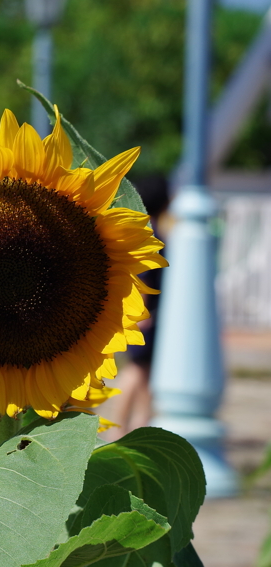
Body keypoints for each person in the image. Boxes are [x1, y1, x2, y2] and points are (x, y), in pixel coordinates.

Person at [109, 174, 170, 433]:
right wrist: (141, 313)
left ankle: (140, 422)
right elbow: (143, 274)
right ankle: (119, 424)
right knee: (136, 370)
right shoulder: (151, 235)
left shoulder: (146, 231)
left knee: (145, 372)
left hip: (148, 313)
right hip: (146, 315)